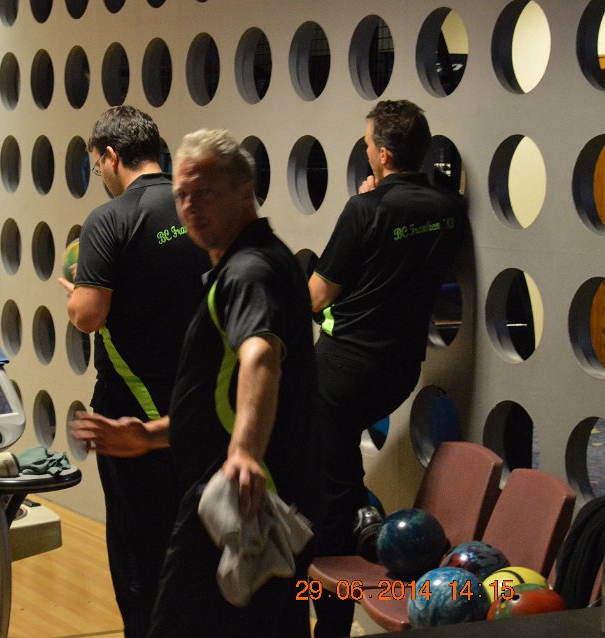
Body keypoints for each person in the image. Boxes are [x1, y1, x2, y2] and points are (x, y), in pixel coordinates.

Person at [72, 129, 320, 637]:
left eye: (204, 193)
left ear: (246, 190)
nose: (189, 207)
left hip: (234, 498)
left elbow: (260, 356)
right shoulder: (252, 263)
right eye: (183, 194)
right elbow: (215, 401)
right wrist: (150, 436)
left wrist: (245, 453)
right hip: (246, 493)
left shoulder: (249, 271)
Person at [309, 100, 467, 637]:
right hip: (398, 372)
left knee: (328, 503)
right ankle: (364, 524)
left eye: (367, 145)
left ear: (382, 153)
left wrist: (364, 208)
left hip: (339, 372)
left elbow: (317, 295)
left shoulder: (365, 210)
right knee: (341, 484)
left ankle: (331, 624)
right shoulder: (450, 208)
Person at [58, 105, 210, 637]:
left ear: (110, 156)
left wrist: (76, 296)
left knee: (139, 557)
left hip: (132, 417)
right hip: (200, 409)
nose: (99, 174)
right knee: (196, 551)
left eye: (97, 164)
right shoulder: (196, 205)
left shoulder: (110, 219)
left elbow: (88, 315)